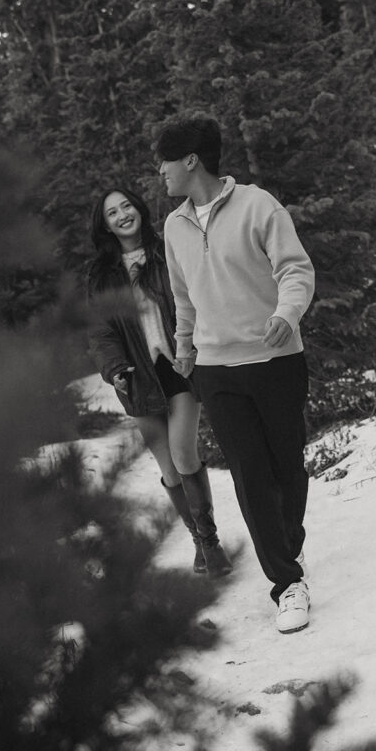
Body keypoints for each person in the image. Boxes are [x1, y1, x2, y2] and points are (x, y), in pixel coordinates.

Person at [156, 116, 315, 633]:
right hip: (215, 370)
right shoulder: (173, 226)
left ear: (190, 160)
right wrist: (185, 349)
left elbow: (295, 269)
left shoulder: (257, 205)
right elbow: (183, 297)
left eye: (164, 161)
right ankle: (286, 582)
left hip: (276, 360)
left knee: (286, 466)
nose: (160, 172)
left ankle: (287, 544)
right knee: (249, 473)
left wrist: (285, 313)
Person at [86, 187, 232, 578]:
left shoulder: (166, 250)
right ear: (105, 224)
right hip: (136, 377)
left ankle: (212, 543)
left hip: (180, 366)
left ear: (138, 209)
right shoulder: (101, 275)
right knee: (169, 469)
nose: (122, 216)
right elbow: (100, 331)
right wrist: (114, 368)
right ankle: (198, 540)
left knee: (185, 454)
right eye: (112, 213)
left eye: (126, 206)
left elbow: (195, 295)